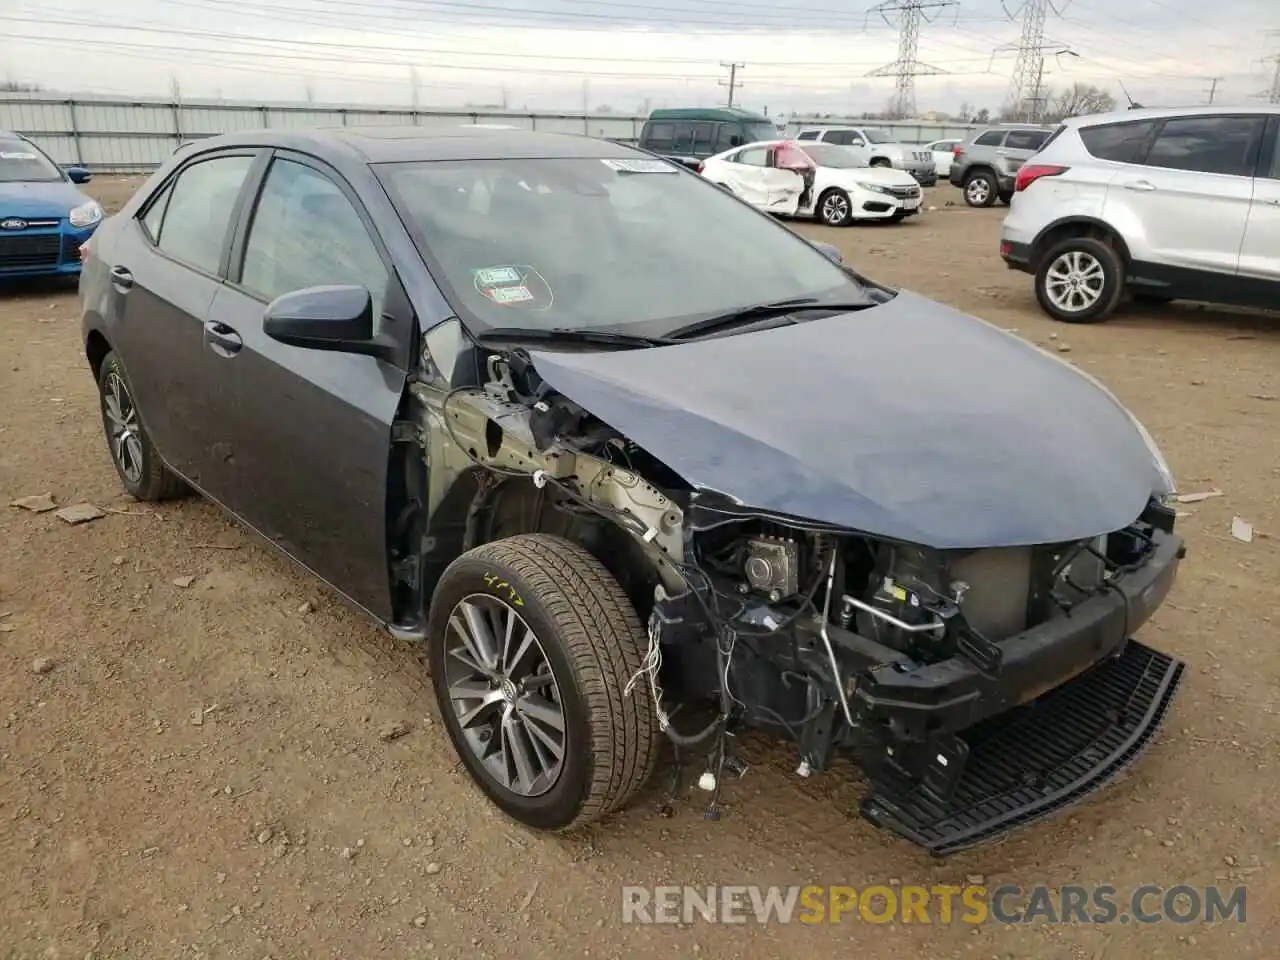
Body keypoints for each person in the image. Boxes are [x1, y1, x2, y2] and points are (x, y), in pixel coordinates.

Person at [773, 140, 817, 209]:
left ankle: (802, 202)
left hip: (792, 173)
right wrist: (793, 169)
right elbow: (779, 165)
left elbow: (801, 161)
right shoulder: (779, 152)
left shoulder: (792, 153)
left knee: (806, 183)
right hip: (782, 174)